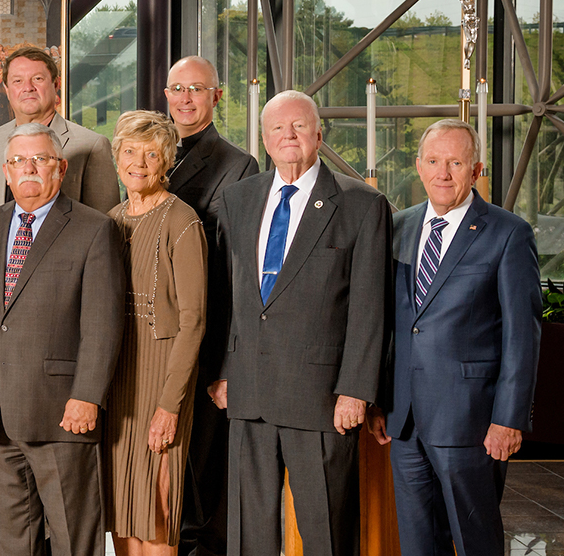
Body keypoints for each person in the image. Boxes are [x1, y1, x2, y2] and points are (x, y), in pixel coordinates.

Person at [211, 90, 391, 556]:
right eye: (277, 128)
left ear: (318, 134)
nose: (288, 135)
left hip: (321, 397)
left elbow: (371, 308)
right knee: (249, 531)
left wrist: (356, 390)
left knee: (325, 529)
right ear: (264, 138)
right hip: (248, 390)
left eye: (298, 126)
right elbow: (227, 295)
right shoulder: (238, 200)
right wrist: (222, 369)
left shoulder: (360, 204)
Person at [0, 45, 119, 555]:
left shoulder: (93, 230)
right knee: (10, 541)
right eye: (20, 162)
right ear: (6, 171)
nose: (30, 170)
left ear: (60, 169)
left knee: (74, 537)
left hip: (62, 409)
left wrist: (88, 394)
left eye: (42, 161)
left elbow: (103, 322)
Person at [366, 119, 541, 556]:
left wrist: (509, 419)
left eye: (456, 162)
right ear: (419, 166)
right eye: (433, 161)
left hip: (473, 422)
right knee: (417, 543)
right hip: (404, 422)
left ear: (476, 169)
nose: (443, 173)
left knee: (476, 540)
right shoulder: (397, 227)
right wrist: (380, 398)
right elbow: (392, 322)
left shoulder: (508, 233)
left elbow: (524, 336)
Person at [161, 55, 259, 556]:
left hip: (205, 338)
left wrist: (226, 361)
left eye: (196, 89)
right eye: (177, 89)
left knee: (203, 469)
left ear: (216, 96)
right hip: (154, 337)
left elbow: (238, 275)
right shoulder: (148, 153)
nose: (185, 99)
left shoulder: (238, 165)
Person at [103, 111, 207, 555]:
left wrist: (170, 405)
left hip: (162, 379)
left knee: (157, 507)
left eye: (151, 154)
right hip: (117, 381)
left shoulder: (183, 221)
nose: (139, 162)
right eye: (129, 151)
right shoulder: (109, 219)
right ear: (117, 157)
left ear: (166, 161)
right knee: (123, 504)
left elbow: (194, 321)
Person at [0, 46, 119, 257]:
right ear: (6, 89)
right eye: (17, 81)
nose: (28, 88)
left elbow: (105, 232)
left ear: (56, 84)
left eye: (38, 79)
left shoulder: (92, 146)